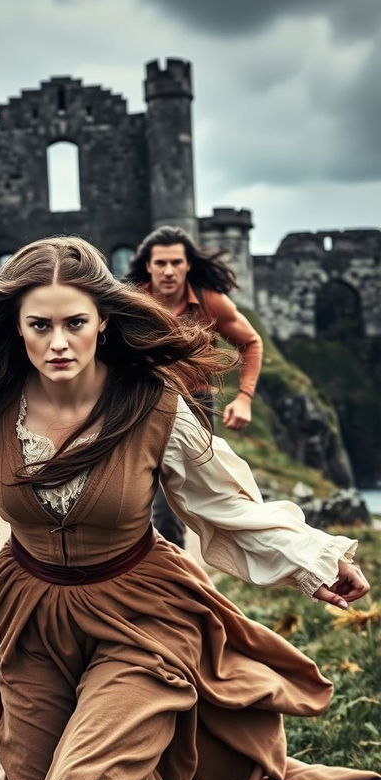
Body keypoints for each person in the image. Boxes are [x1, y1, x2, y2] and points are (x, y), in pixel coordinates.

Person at [0, 237, 379, 780]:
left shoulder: (156, 406)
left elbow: (226, 508)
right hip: (27, 617)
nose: (58, 343)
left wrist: (315, 562)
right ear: (17, 328)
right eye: (40, 326)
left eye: (74, 324)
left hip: (142, 616)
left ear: (102, 322)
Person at [127, 225, 263, 548]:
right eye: (161, 263)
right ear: (148, 266)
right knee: (157, 507)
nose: (169, 271)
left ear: (188, 265)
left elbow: (251, 343)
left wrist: (244, 398)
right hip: (147, 403)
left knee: (197, 498)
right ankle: (170, 581)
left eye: (176, 262)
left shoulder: (210, 301)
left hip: (197, 404)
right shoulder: (133, 304)